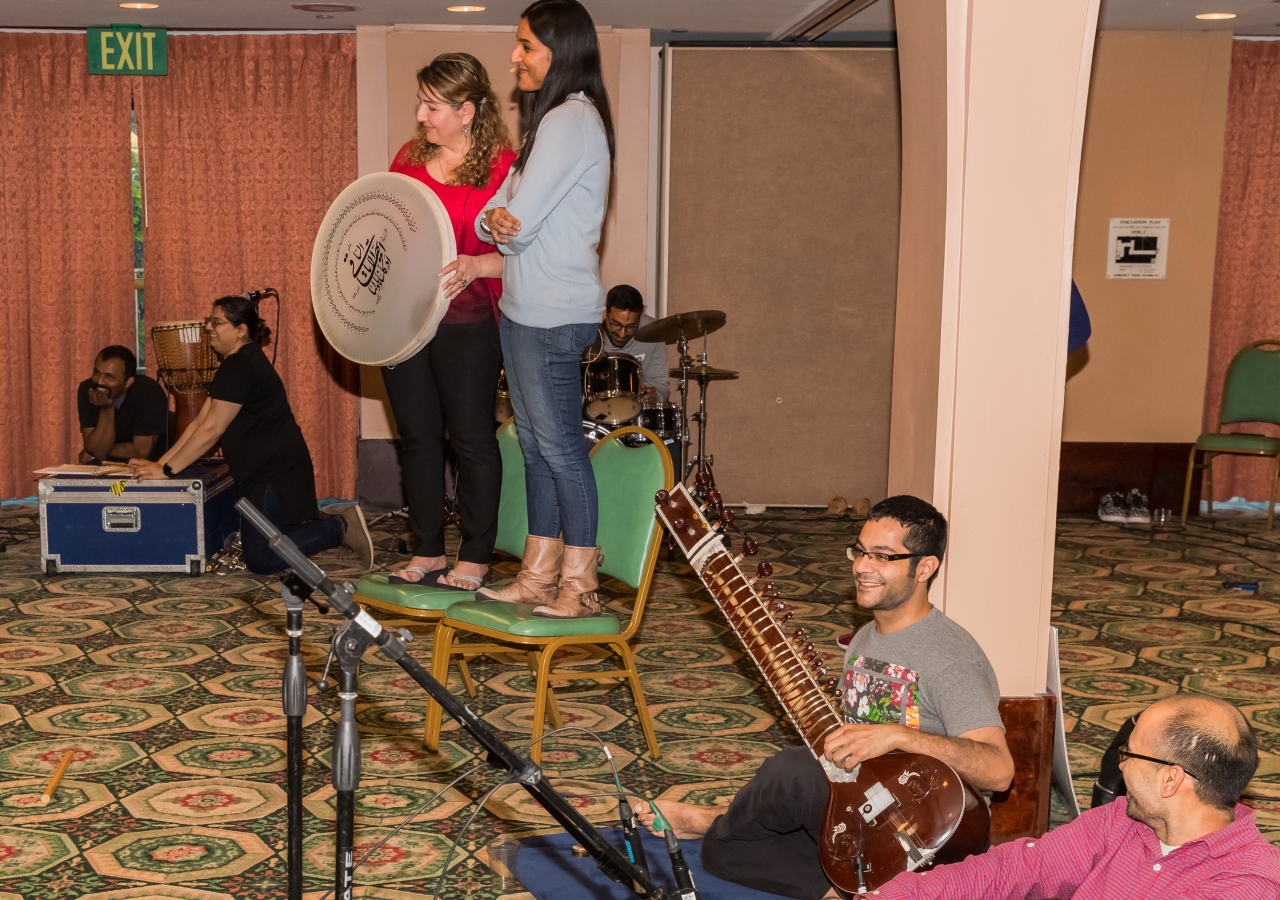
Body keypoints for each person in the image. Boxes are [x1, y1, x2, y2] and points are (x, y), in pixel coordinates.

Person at [631, 496, 1015, 900]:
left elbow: (999, 770)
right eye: (860, 551)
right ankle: (853, 888)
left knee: (787, 775)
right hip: (862, 810)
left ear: (924, 567)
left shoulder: (951, 657)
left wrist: (901, 737)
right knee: (728, 850)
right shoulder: (864, 640)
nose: (862, 567)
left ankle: (715, 820)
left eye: (882, 557)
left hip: (929, 832)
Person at [474, 0, 615, 619]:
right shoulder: (547, 122)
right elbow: (494, 211)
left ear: (561, 50)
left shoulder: (572, 120)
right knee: (534, 446)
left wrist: (503, 222)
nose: (515, 56)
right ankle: (537, 578)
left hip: (553, 313)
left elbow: (517, 225)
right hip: (526, 308)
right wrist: (499, 219)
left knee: (558, 449)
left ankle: (580, 585)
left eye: (526, 45)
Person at [874, 694, 1280, 899]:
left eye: (1130, 754)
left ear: (1171, 781)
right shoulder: (1119, 821)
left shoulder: (1246, 885)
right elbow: (1017, 869)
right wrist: (902, 894)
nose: (1120, 766)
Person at [381, 53, 516, 591]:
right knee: (416, 439)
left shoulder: (505, 168)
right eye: (421, 102)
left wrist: (478, 264)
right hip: (406, 323)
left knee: (471, 439)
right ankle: (429, 549)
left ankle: (477, 553)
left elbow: (526, 253)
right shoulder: (407, 161)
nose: (421, 115)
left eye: (432, 106)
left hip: (469, 322)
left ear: (466, 110)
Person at [129, 294, 374, 575]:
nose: (208, 327)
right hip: (274, 472)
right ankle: (319, 523)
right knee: (274, 543)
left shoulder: (240, 366)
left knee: (261, 559)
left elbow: (212, 430)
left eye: (217, 322)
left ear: (240, 330)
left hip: (273, 477)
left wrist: (168, 471)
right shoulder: (237, 363)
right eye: (209, 321)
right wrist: (160, 464)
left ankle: (339, 527)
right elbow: (199, 424)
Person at [77, 345, 169, 463]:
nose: (99, 381)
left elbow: (140, 452)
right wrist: (107, 408)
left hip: (150, 468)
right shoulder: (88, 388)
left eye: (109, 377)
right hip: (106, 467)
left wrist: (96, 450)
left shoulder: (148, 391)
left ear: (128, 382)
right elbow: (94, 450)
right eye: (97, 372)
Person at [583, 284, 670, 402]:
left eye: (631, 326)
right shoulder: (587, 331)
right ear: (605, 314)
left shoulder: (653, 332)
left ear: (640, 317)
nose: (622, 334)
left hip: (635, 411)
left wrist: (657, 396)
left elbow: (660, 383)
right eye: (616, 324)